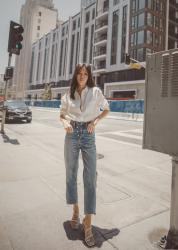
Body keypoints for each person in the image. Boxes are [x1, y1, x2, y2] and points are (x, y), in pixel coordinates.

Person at [60, 63, 110, 246]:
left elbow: (106, 108)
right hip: (71, 134)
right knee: (70, 175)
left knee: (90, 178)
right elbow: (62, 114)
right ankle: (75, 210)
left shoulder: (95, 92)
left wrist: (95, 122)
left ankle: (88, 221)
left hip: (88, 135)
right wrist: (65, 123)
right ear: (75, 76)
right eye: (79, 73)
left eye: (85, 74)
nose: (82, 76)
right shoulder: (68, 94)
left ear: (89, 76)